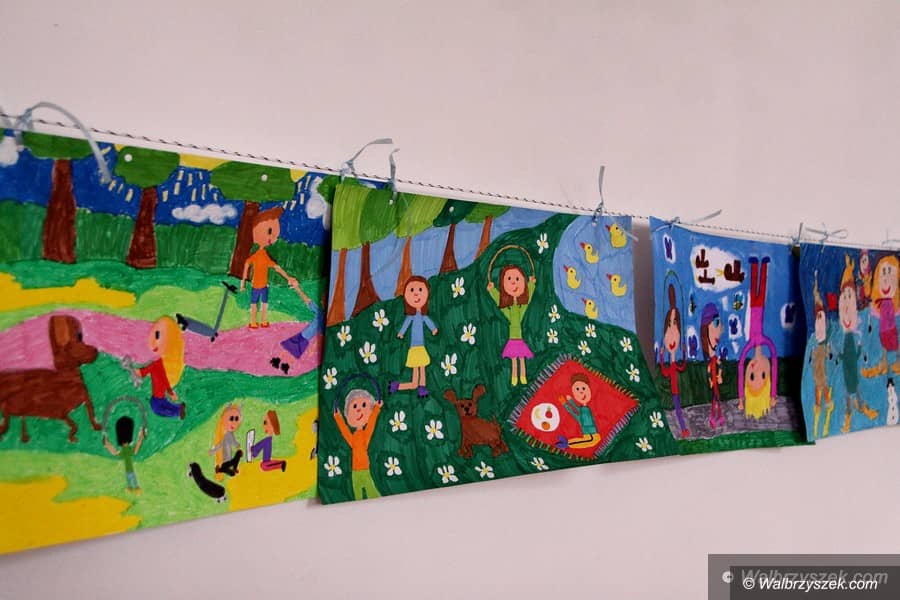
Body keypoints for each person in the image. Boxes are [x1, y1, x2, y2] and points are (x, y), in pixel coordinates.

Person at [834, 255, 878, 433]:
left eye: (849, 296)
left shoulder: (851, 333)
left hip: (851, 368)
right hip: (847, 370)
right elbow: (846, 355)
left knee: (855, 388)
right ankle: (848, 414)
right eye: (844, 297)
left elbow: (852, 354)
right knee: (849, 391)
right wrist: (840, 354)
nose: (846, 304)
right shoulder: (845, 335)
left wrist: (858, 349)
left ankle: (859, 407)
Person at [240, 206, 297, 329]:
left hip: (263, 286)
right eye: (270, 231)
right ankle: (254, 321)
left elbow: (276, 267)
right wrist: (243, 282)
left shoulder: (264, 255)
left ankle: (262, 321)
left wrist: (288, 277)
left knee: (263, 304)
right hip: (256, 286)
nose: (274, 237)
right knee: (255, 304)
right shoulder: (258, 255)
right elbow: (247, 264)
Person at [736, 256, 778, 415]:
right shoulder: (767, 343)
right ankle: (763, 266)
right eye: (762, 375)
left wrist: (741, 400)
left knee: (754, 291)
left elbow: (741, 366)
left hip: (754, 306)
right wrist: (772, 395)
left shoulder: (750, 346)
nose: (757, 369)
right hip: (760, 307)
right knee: (761, 292)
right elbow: (774, 363)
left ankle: (755, 266)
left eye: (752, 376)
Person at [488, 264, 536, 386]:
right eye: (509, 279)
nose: (514, 283)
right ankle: (515, 377)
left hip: (519, 337)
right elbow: (500, 302)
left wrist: (531, 284)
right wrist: (492, 290)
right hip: (513, 337)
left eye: (517, 279)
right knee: (515, 359)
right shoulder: (508, 308)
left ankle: (523, 376)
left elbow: (528, 299)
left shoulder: (521, 306)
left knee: (521, 358)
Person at [390, 276, 438, 397]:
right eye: (412, 290)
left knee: (420, 371)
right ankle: (401, 386)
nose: (416, 294)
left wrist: (433, 329)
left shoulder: (423, 316)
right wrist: (401, 333)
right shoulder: (411, 316)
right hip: (415, 348)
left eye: (420, 290)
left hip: (420, 347)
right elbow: (406, 324)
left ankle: (413, 387)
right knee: (416, 376)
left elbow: (428, 322)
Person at [334, 389, 382, 500]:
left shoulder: (365, 435)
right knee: (357, 497)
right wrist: (338, 417)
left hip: (365, 470)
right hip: (355, 472)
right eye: (354, 406)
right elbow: (344, 431)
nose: (359, 410)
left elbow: (371, 423)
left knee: (372, 493)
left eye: (364, 405)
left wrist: (376, 408)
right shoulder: (353, 438)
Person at [135, 316, 185, 419]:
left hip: (158, 398)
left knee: (159, 408)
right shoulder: (160, 364)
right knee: (161, 407)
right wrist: (171, 392)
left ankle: (178, 410)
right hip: (159, 398)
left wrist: (138, 372)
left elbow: (162, 379)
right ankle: (178, 410)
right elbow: (163, 379)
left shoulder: (159, 364)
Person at [271, 284, 324, 374]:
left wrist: (314, 346)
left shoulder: (322, 315)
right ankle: (278, 361)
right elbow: (308, 301)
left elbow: (320, 335)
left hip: (305, 338)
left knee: (294, 351)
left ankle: (284, 365)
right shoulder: (320, 312)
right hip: (303, 336)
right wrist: (297, 288)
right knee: (290, 348)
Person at [659, 283, 688, 438]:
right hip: (673, 392)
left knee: (678, 410)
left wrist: (684, 353)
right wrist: (661, 356)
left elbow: (682, 367)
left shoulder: (675, 363)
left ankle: (682, 429)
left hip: (676, 392)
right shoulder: (670, 364)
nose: (671, 332)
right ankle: (681, 429)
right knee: (676, 410)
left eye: (675, 324)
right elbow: (664, 372)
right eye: (669, 325)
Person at [808, 277, 834, 438]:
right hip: (818, 347)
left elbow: (826, 333)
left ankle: (826, 401)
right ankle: (821, 402)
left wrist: (828, 348)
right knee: (817, 376)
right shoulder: (818, 316)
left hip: (822, 347)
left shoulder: (822, 315)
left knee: (821, 376)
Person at [555, 373, 601, 450]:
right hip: (590, 433)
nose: (581, 392)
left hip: (591, 432)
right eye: (577, 389)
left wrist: (569, 401)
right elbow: (574, 412)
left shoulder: (585, 408)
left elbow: (576, 410)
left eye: (583, 388)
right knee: (591, 441)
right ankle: (567, 443)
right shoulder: (584, 409)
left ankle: (567, 443)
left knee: (591, 441)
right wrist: (566, 403)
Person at [103, 416, 144, 494]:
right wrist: (107, 444)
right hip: (128, 469)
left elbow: (115, 453)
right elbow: (115, 452)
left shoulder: (127, 450)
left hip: (129, 469)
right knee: (130, 478)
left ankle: (134, 487)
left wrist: (107, 444)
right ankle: (132, 487)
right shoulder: (125, 450)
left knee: (131, 478)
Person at [700, 303, 725, 429]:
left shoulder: (716, 359)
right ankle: (713, 418)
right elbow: (710, 370)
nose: (720, 329)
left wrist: (719, 375)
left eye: (719, 324)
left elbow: (719, 367)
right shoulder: (710, 362)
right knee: (715, 401)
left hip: (716, 384)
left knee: (717, 400)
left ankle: (718, 417)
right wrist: (711, 380)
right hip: (713, 384)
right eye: (716, 323)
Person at [210, 404, 243, 481]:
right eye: (231, 419)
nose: (234, 423)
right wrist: (213, 451)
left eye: (236, 419)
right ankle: (220, 469)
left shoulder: (229, 434)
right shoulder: (225, 435)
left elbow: (233, 442)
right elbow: (220, 445)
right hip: (225, 462)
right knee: (232, 472)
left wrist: (237, 445)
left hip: (228, 460)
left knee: (238, 455)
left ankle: (231, 469)